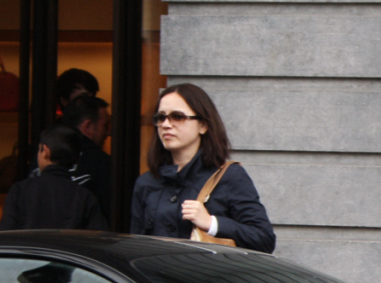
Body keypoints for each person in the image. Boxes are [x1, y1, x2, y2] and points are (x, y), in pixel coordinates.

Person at [130, 83, 275, 253]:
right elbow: (136, 247)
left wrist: (211, 223)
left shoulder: (229, 176)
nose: (166, 124)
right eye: (161, 117)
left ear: (203, 125)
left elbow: (264, 239)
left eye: (178, 116)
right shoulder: (147, 182)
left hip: (208, 277)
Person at [0, 125, 108, 232]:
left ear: (45, 151)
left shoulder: (20, 191)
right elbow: (97, 238)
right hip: (68, 249)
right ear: (77, 160)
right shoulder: (85, 197)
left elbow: (7, 235)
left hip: (28, 249)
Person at [61, 94, 113, 221]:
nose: (108, 132)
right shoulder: (101, 163)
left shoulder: (43, 156)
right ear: (88, 126)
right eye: (105, 125)